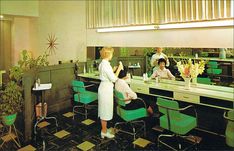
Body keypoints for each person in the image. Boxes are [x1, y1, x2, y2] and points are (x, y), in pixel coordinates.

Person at [98, 47, 123, 139]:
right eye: (111, 53)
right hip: (105, 89)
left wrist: (112, 70)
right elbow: (113, 79)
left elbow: (106, 75)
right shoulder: (105, 65)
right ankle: (104, 131)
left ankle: (104, 129)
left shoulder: (103, 64)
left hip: (104, 88)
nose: (112, 55)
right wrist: (119, 69)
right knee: (104, 110)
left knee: (105, 109)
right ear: (108, 54)